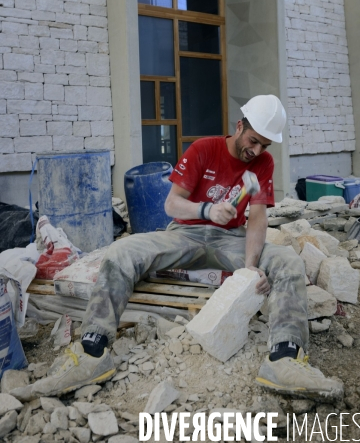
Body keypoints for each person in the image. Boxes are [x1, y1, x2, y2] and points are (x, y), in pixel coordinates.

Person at [32, 95, 343, 400]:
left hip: (229, 240)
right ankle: (92, 351)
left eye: (264, 145)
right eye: (253, 140)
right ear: (239, 126)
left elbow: (258, 216)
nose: (256, 150)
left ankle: (284, 358)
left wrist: (250, 266)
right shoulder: (203, 149)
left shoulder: (263, 163)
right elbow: (172, 204)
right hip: (185, 234)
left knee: (288, 260)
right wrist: (206, 210)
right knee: (121, 252)